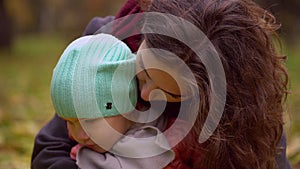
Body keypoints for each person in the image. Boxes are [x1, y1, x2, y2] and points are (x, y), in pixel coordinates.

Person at [31, 0, 291, 168]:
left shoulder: (242, 105)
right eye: (143, 71)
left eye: (167, 92)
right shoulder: (103, 50)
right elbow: (49, 148)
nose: (144, 93)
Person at [49, 33, 175, 169]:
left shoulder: (145, 148)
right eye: (70, 122)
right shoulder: (105, 134)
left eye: (90, 121)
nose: (80, 134)